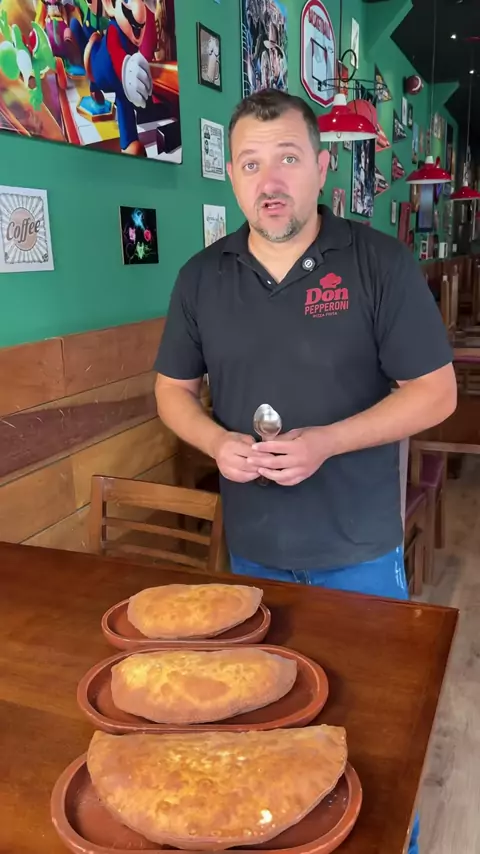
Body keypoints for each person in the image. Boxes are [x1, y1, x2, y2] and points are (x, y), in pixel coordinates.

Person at [154, 87, 456, 854]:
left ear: (322, 168)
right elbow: (172, 392)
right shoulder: (201, 277)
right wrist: (213, 441)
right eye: (251, 163)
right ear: (231, 176)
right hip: (254, 552)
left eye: (288, 157)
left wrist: (329, 440)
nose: (270, 179)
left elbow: (436, 393)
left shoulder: (380, 263)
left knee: (374, 729)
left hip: (358, 548)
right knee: (270, 728)